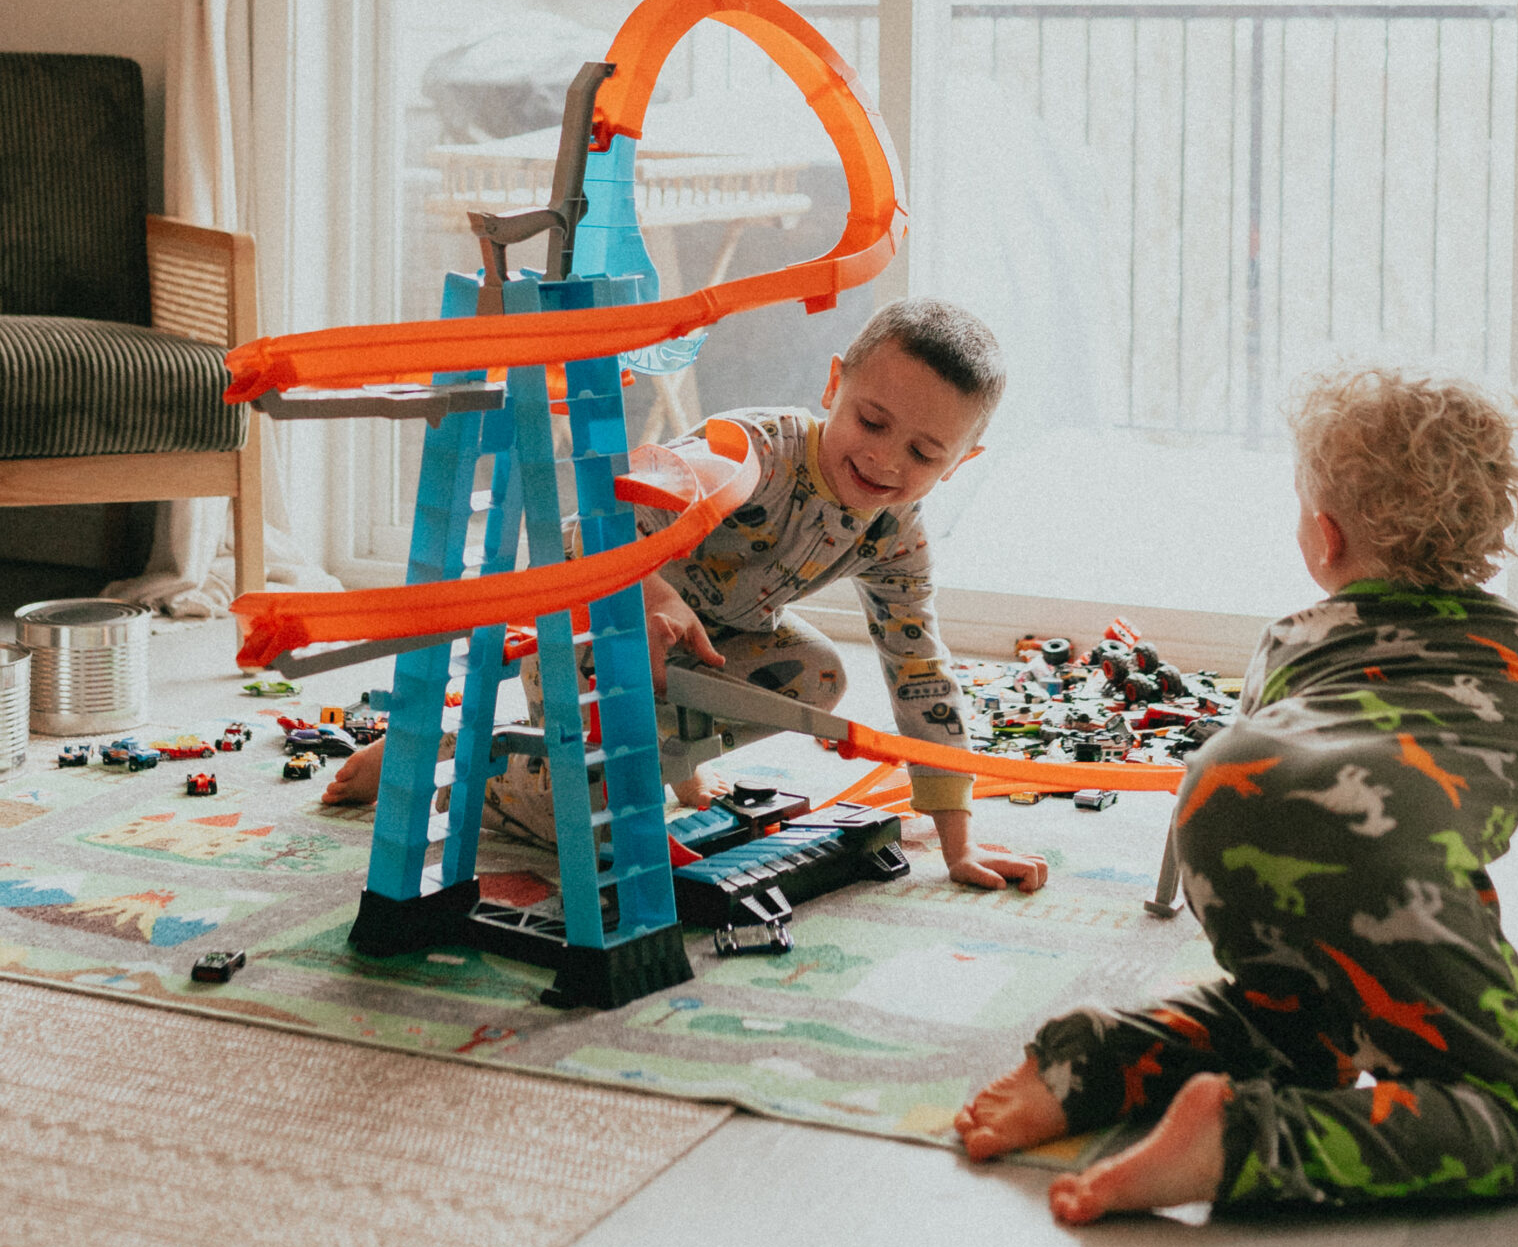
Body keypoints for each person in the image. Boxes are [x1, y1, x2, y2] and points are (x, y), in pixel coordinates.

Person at [954, 367, 1518, 1218]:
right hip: (1386, 841)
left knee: (1304, 1025)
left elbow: (1242, 757)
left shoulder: (1292, 636)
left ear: (1325, 537)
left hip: (1218, 804)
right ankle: (1243, 1142)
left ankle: (1094, 1059)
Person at [326, 297, 1046, 896]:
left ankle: (661, 765)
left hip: (697, 651)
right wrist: (653, 593)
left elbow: (922, 675)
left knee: (819, 674)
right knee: (596, 818)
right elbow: (590, 529)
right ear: (834, 388)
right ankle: (436, 758)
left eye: (924, 453)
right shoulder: (749, 453)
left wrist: (957, 846)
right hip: (590, 632)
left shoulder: (898, 536)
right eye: (872, 422)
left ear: (961, 463)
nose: (886, 460)